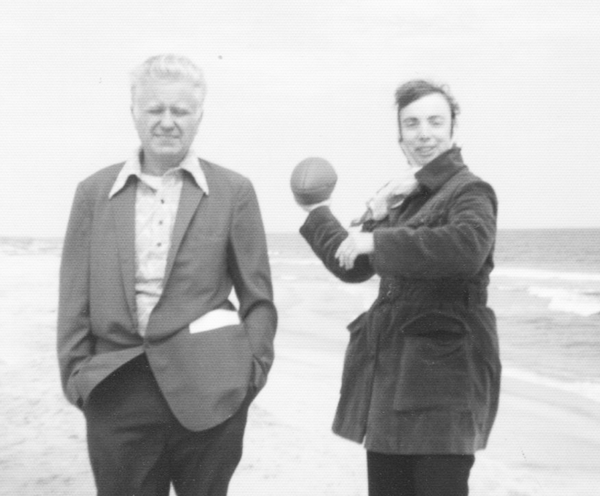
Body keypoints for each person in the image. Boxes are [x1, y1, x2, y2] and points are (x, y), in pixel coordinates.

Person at [57, 54, 277, 496]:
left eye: (180, 111)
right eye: (155, 109)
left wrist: (248, 375)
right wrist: (79, 379)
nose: (167, 122)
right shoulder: (93, 193)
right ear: (134, 113)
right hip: (116, 390)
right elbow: (73, 300)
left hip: (212, 391)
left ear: (199, 116)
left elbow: (259, 300)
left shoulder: (233, 192)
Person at [297, 80, 501, 496]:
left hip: (445, 378)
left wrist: (378, 239)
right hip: (388, 375)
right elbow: (354, 267)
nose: (423, 133)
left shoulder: (471, 190)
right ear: (400, 136)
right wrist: (324, 213)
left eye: (434, 121)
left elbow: (466, 248)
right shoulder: (405, 199)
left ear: (453, 129)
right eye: (411, 124)